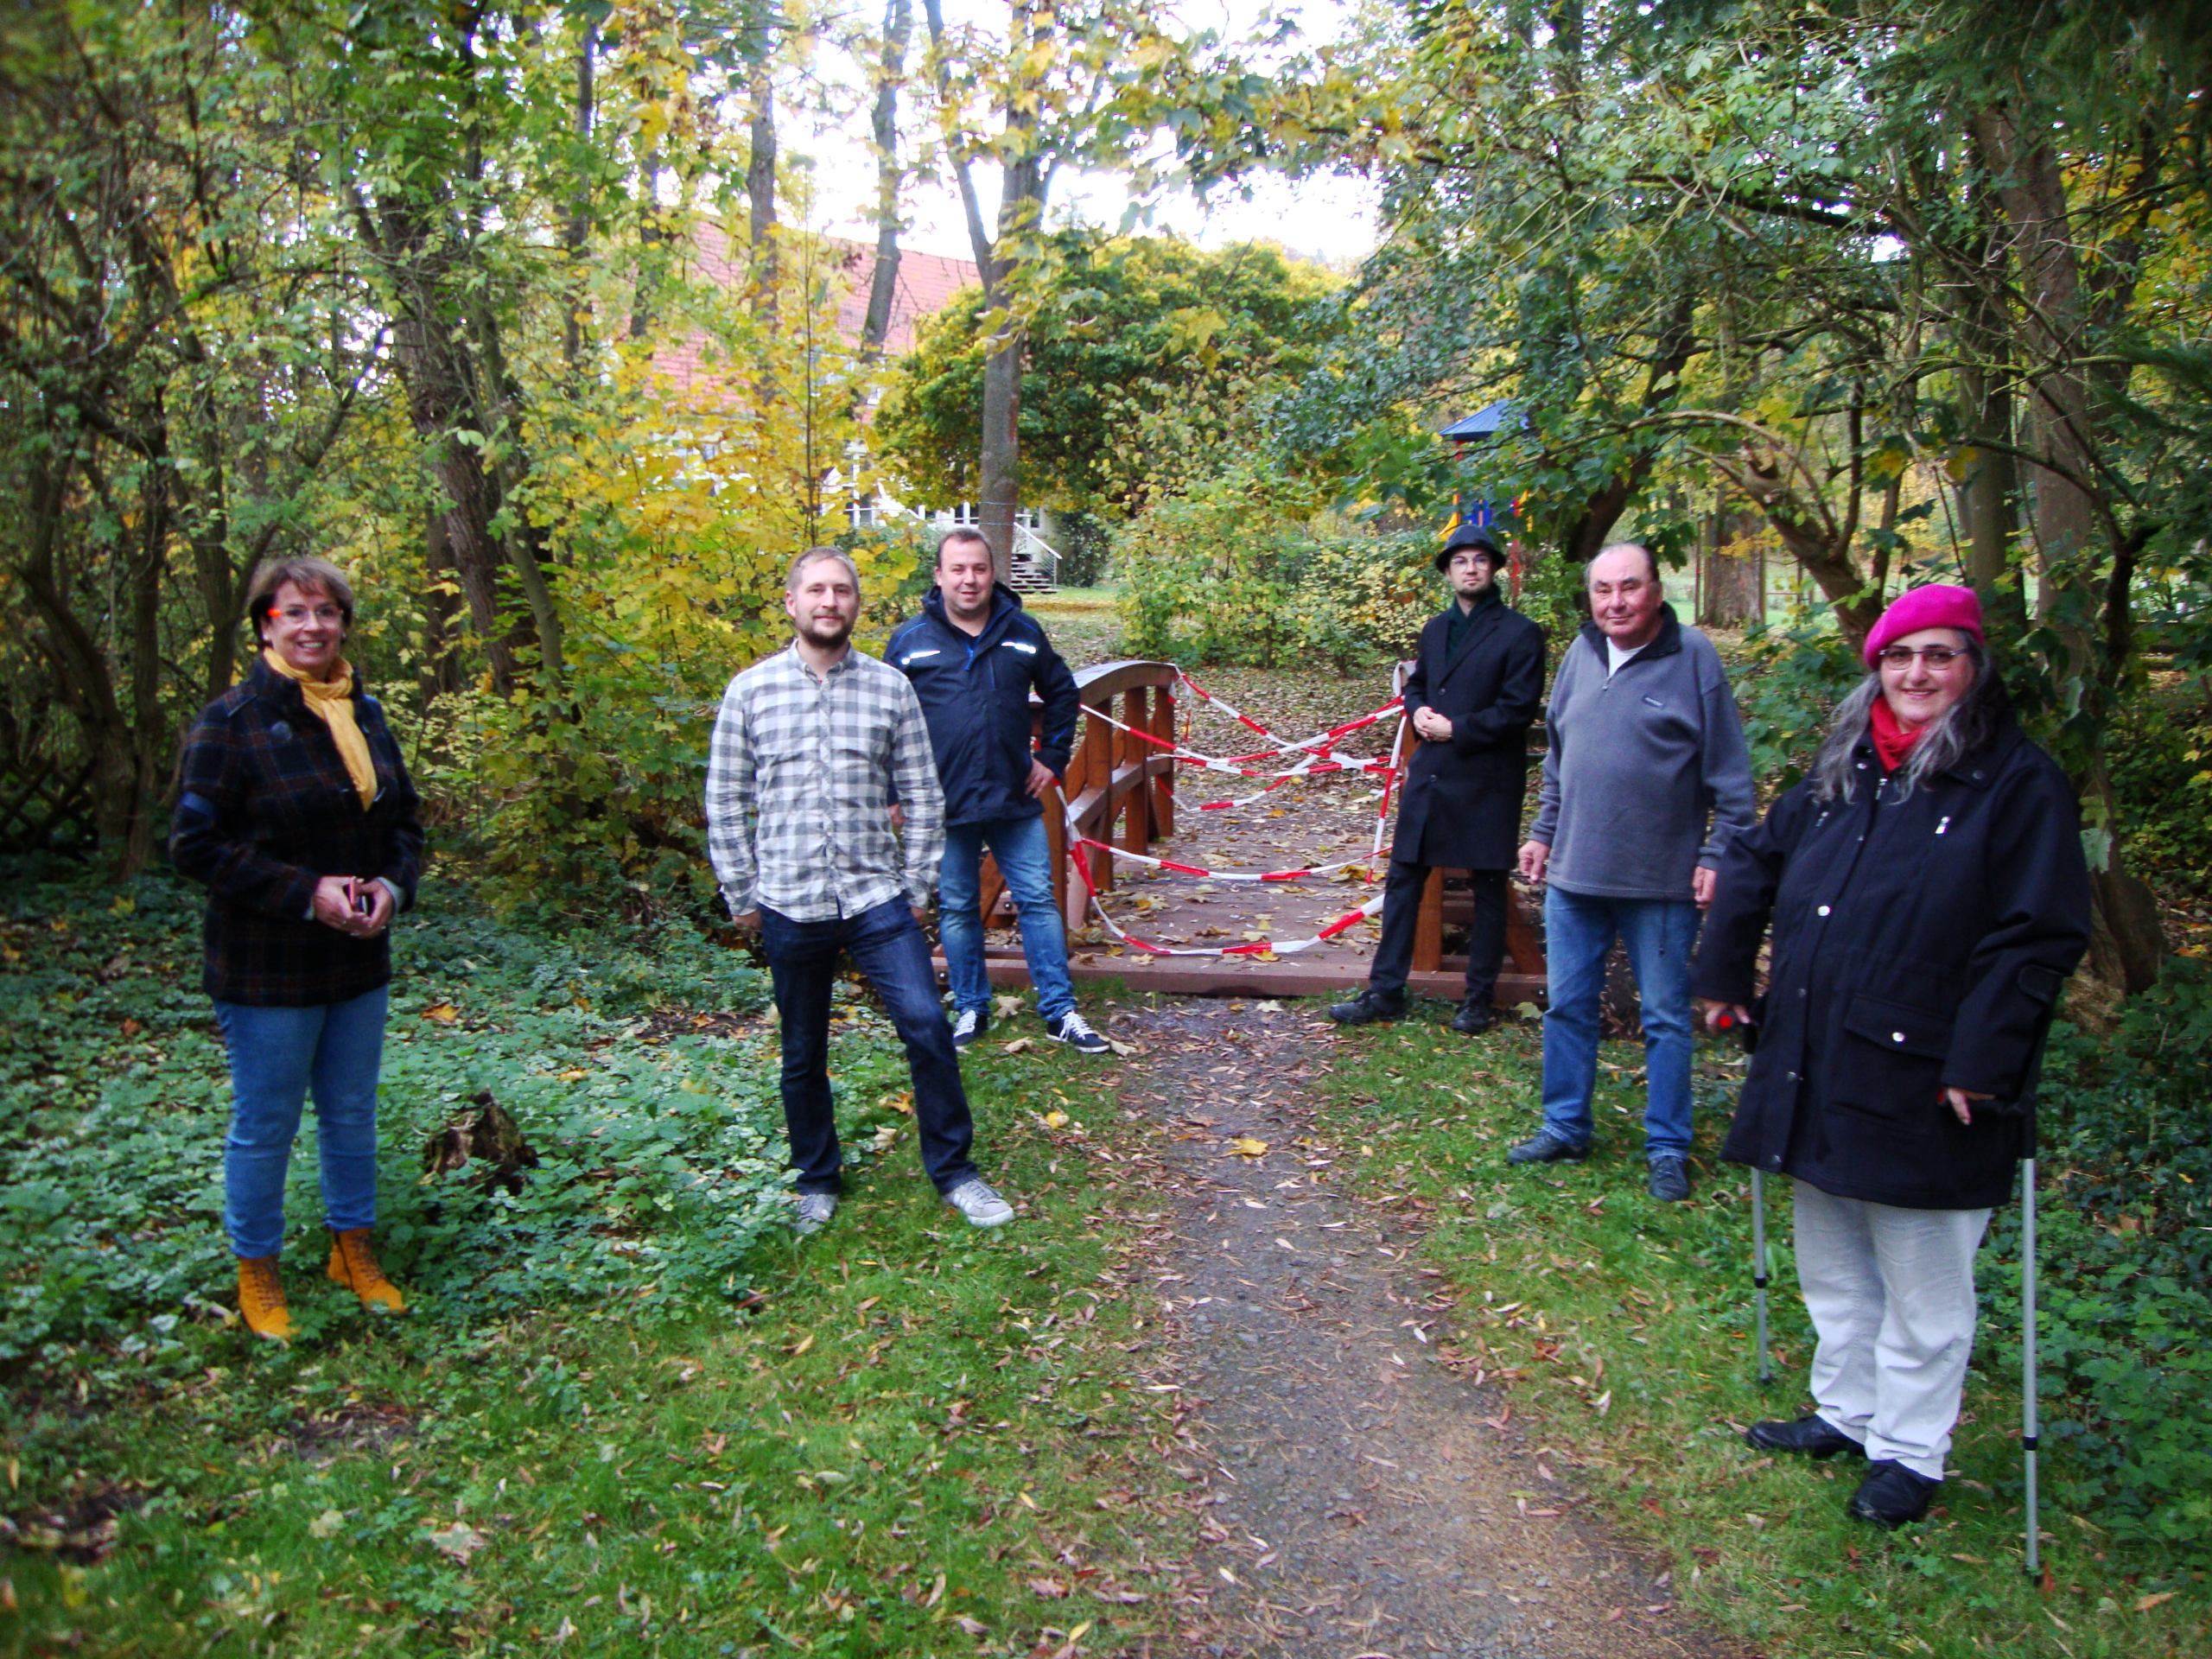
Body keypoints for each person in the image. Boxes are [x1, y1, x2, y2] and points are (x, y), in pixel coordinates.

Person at [1694, 583, 2090, 1529]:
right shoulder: (1846, 766)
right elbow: (1754, 858)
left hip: (1935, 1074)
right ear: (1876, 665)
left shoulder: (2015, 783)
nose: (1916, 674)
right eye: (1899, 656)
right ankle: (1847, 1409)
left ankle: (1911, 1453)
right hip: (1814, 1055)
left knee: (1923, 1278)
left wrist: (1980, 1062)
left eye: (1940, 656)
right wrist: (1723, 975)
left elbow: (2037, 934)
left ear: (1972, 668)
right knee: (1831, 1256)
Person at [705, 545, 1014, 1234]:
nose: (829, 601)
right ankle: (816, 1179)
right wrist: (743, 894)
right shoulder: (750, 691)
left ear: (856, 604)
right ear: (791, 603)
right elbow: (725, 799)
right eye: (816, 590)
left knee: (928, 1025)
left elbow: (924, 795)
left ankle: (957, 1172)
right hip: (789, 901)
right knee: (802, 1049)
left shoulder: (888, 688)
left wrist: (916, 883)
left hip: (877, 898)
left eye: (842, 590)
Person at [170, 556, 424, 1343]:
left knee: (349, 1113)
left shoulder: (366, 713)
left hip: (355, 957)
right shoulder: (231, 720)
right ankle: (259, 1272)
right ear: (265, 625)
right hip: (265, 963)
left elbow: (405, 824)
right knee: (266, 1121)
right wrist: (304, 890)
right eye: (293, 613)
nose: (312, 625)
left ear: (343, 623)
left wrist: (392, 887)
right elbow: (192, 843)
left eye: (325, 611)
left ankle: (353, 1253)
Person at [1511, 543, 1755, 1201]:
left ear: (1655, 591)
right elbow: (1561, 758)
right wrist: (1542, 833)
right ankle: (1565, 1125)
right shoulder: (1580, 655)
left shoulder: (1694, 658)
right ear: (1589, 597)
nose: (1615, 602)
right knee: (1567, 1006)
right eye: (1602, 590)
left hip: (1662, 881)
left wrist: (1717, 855)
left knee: (1669, 1017)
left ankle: (1669, 1144)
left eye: (1629, 588)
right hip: (1574, 876)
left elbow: (1731, 775)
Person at [887, 530, 1105, 1053]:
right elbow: (885, 720)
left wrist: (1052, 759)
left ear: (992, 573)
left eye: (979, 568)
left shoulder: (1023, 630)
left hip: (1013, 797)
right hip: (942, 801)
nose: (969, 579)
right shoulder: (910, 640)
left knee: (1038, 900)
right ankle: (970, 1009)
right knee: (959, 907)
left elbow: (1063, 693)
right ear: (939, 576)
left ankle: (1059, 1010)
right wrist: (894, 790)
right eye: (958, 569)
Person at [1329, 524, 1545, 1034]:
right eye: (1460, 561)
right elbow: (1420, 683)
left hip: (1487, 776)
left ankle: (1478, 998)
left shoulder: (1521, 632)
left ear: (1494, 568)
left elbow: (1518, 710)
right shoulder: (1434, 629)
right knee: (1403, 881)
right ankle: (1385, 992)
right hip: (1431, 776)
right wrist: (1419, 708)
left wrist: (1458, 728)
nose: (1470, 568)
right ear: (1448, 572)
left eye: (1480, 560)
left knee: (1488, 886)